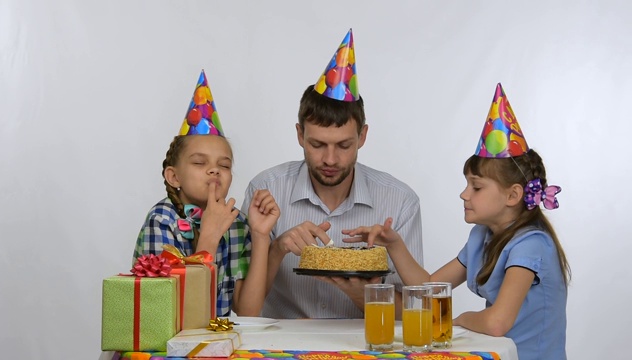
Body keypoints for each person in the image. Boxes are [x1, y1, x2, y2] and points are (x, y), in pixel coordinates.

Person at [344, 83, 570, 360]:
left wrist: (461, 318)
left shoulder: (531, 245)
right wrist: (394, 244)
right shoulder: (481, 237)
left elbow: (497, 322)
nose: (464, 194)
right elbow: (429, 288)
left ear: (513, 195)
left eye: (476, 187)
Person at [241, 29, 423, 319]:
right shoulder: (265, 189)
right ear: (300, 135)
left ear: (362, 137)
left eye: (343, 145)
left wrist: (359, 293)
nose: (329, 159)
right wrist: (277, 248)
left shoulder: (400, 200)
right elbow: (243, 309)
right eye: (317, 144)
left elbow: (416, 312)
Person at [133, 70, 280, 317]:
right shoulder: (162, 220)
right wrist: (209, 237)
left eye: (224, 165)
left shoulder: (237, 225)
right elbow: (161, 312)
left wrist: (260, 235)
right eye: (200, 163)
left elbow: (248, 311)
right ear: (174, 177)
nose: (214, 170)